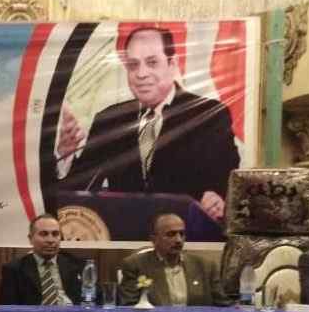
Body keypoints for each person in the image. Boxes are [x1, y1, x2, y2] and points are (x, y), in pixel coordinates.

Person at [55, 26, 239, 220]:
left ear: (172, 64)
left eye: (152, 62)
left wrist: (218, 197)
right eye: (133, 65)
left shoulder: (208, 114)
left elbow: (228, 178)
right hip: (124, 232)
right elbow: (78, 191)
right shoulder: (109, 120)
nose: (141, 73)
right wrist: (66, 155)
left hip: (185, 230)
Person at [118, 212, 227, 306]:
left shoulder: (206, 267)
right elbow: (128, 307)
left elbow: (223, 306)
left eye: (182, 234)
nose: (178, 240)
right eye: (171, 234)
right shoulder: (136, 265)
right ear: (154, 239)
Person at [0, 214, 84, 305]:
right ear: (30, 238)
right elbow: (8, 307)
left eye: (55, 234)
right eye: (44, 234)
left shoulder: (76, 265)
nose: (50, 240)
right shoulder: (14, 270)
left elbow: (91, 300)